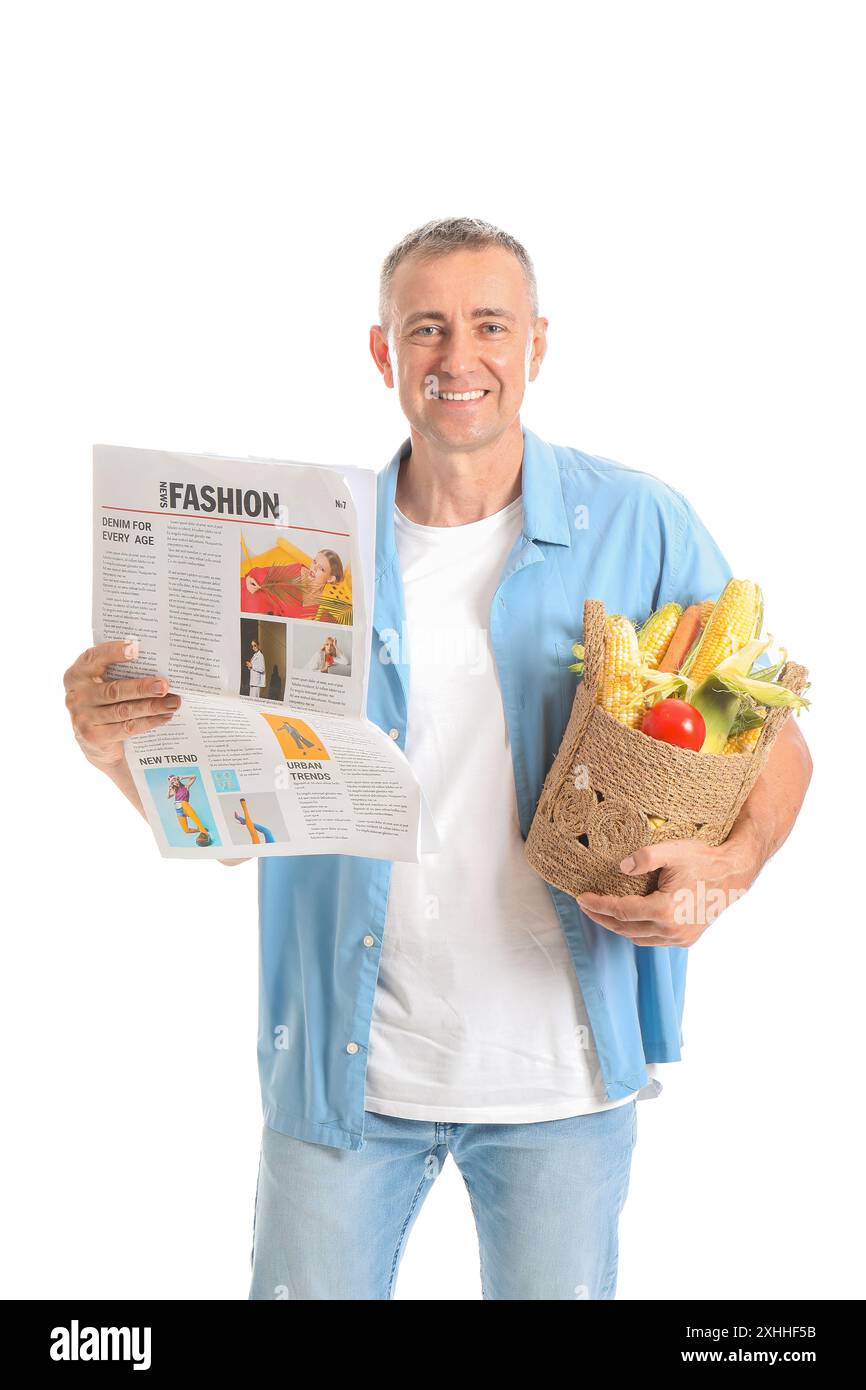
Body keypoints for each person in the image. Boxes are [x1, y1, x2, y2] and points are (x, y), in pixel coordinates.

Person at [63, 216, 813, 1301]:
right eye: (425, 329)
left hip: (559, 1075)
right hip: (344, 1075)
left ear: (535, 346)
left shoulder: (639, 523)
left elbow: (775, 740)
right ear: (383, 354)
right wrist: (110, 755)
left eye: (487, 326)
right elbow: (236, 828)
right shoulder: (302, 553)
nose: (456, 358)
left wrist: (727, 869)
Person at [241, 550, 344, 621]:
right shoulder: (298, 571)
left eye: (321, 569)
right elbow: (266, 573)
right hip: (257, 596)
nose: (314, 568)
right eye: (314, 562)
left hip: (271, 620)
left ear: (330, 578)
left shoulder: (323, 605)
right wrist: (249, 579)